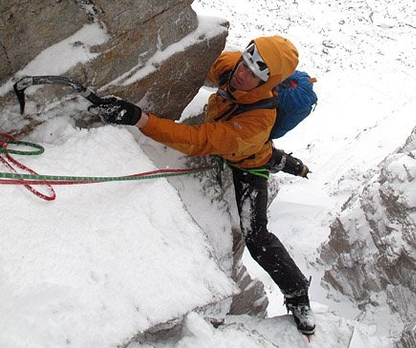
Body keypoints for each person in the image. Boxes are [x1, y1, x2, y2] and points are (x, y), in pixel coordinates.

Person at [91, 35, 316, 335]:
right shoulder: (233, 66)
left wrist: (140, 118)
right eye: (245, 63)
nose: (242, 73)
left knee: (256, 236)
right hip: (243, 142)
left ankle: (298, 295)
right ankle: (284, 161)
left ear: (266, 81)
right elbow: (201, 63)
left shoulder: (257, 121)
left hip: (249, 162)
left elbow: (199, 141)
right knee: (262, 150)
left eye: (252, 73)